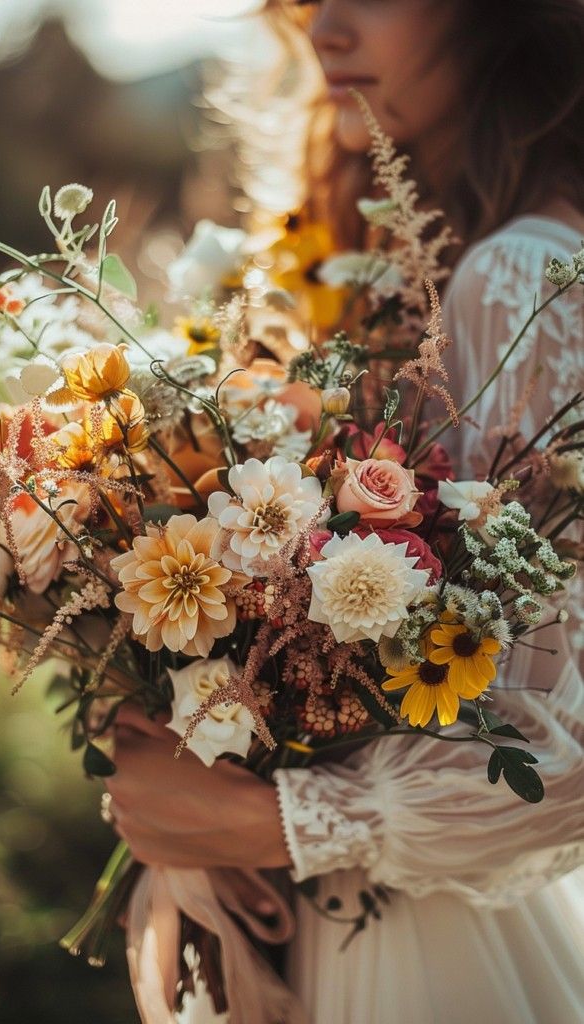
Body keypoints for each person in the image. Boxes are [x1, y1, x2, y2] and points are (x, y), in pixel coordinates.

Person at [107, 1, 584, 1020]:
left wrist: (285, 819)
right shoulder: (431, 262)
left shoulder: (517, 276)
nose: (324, 30)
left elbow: (562, 737)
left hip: (412, 950)